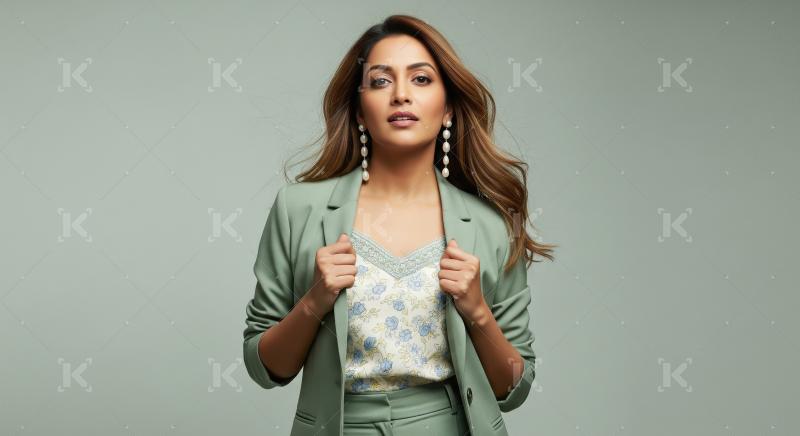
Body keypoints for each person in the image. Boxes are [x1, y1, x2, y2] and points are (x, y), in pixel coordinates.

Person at [243, 14, 556, 436]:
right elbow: (264, 367)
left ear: (447, 108)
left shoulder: (491, 226)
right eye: (380, 81)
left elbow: (514, 388)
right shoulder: (297, 209)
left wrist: (478, 312)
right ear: (359, 110)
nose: (401, 95)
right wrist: (315, 301)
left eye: (421, 79)